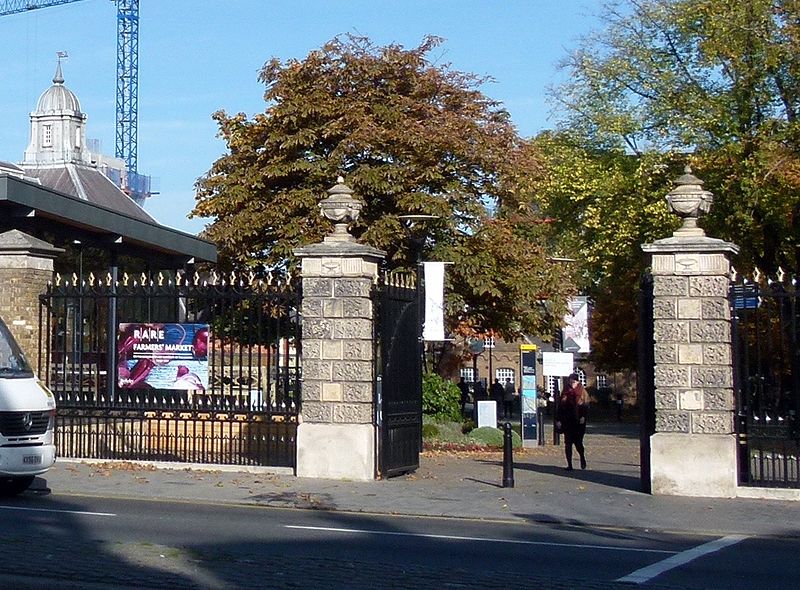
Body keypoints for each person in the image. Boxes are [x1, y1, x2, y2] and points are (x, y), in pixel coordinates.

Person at [556, 373, 589, 471]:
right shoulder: (565, 391)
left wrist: (583, 416)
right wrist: (558, 419)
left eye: (573, 381)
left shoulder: (582, 391)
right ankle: (569, 464)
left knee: (578, 443)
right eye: (570, 381)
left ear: (578, 381)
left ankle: (582, 457)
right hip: (567, 420)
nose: (572, 383)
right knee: (568, 443)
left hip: (578, 421)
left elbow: (586, 406)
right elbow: (560, 407)